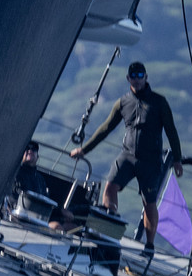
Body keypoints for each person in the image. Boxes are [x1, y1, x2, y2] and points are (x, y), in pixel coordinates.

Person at [70, 62, 184, 251]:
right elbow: (105, 128)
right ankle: (110, 220)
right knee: (110, 186)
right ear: (128, 79)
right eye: (133, 76)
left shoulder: (159, 102)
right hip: (128, 156)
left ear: (146, 77)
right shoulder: (122, 102)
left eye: (140, 75)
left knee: (149, 203)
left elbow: (171, 131)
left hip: (151, 161)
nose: (137, 79)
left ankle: (149, 245)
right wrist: (84, 149)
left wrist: (178, 159)